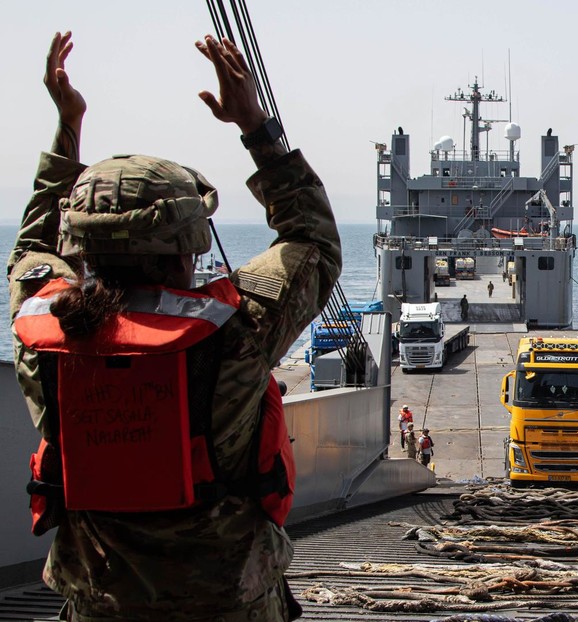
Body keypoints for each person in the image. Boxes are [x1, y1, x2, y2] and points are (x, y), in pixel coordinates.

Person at [8, 32, 340, 621]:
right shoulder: (236, 330)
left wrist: (67, 125)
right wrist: (254, 126)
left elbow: (31, 252)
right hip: (229, 603)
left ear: (79, 242)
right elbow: (311, 240)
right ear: (188, 242)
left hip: (98, 604)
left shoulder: (44, 336)